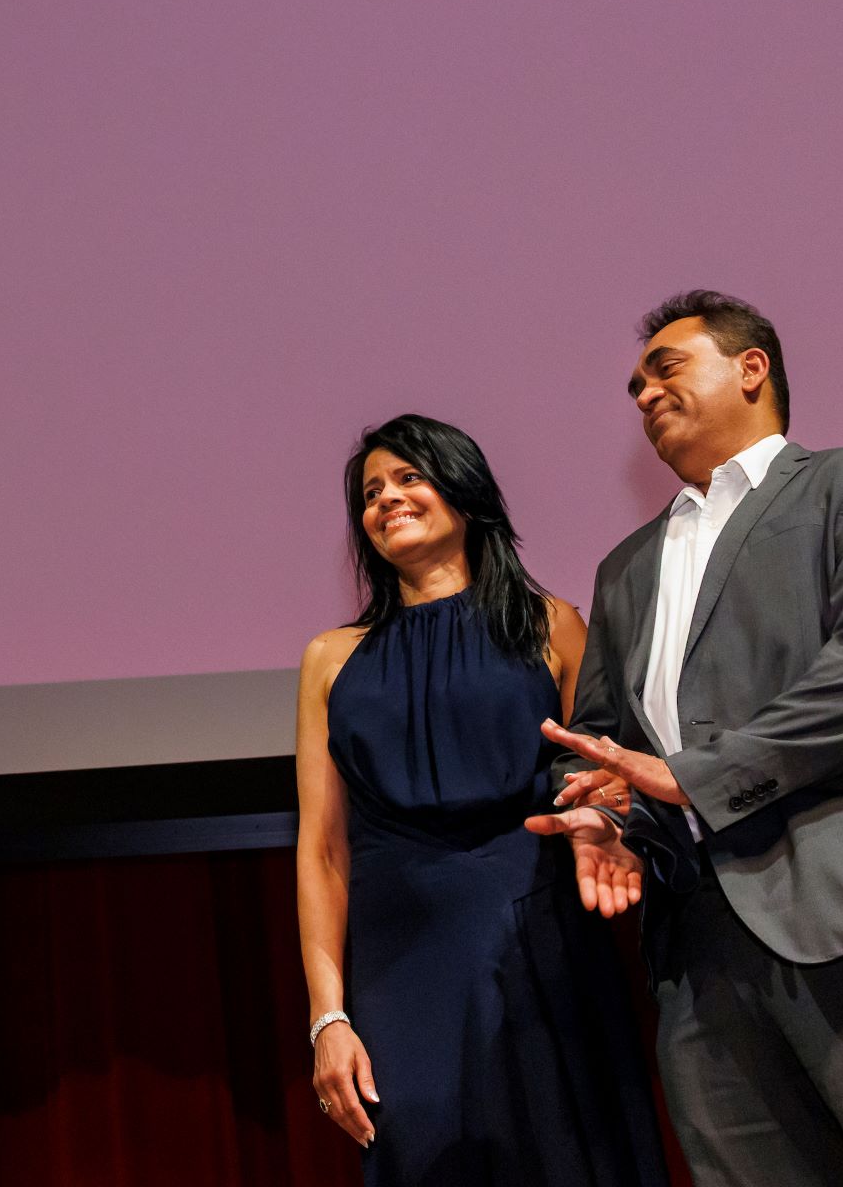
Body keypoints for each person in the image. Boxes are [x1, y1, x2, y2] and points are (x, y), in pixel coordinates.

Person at [532, 291, 843, 1184]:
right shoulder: (625, 570)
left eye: (666, 370)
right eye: (635, 387)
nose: (645, 395)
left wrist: (696, 778)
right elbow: (613, 745)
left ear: (751, 368)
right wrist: (608, 818)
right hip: (696, 961)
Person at [295, 415, 669, 1185]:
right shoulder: (331, 659)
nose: (387, 500)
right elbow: (323, 851)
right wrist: (328, 1020)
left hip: (541, 937)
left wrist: (610, 821)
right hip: (401, 962)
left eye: (408, 478)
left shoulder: (551, 624)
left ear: (464, 493)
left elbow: (608, 781)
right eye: (371, 492)